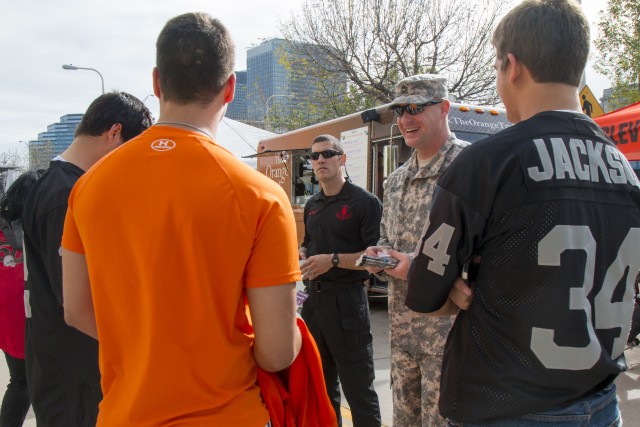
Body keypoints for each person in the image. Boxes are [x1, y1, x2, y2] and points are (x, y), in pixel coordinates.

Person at [401, 0, 640, 425]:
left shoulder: (488, 162)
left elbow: (423, 295)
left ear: (512, 66)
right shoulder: (626, 172)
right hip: (602, 403)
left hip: (508, 403)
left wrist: (464, 285)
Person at [61, 13, 302, 426]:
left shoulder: (89, 186)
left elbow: (77, 310)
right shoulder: (261, 195)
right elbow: (276, 351)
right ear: (229, 88)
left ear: (156, 82)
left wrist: (147, 345)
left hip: (125, 415)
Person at [22, 92, 153, 427]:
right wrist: (138, 348)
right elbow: (76, 305)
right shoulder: (67, 195)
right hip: (73, 373)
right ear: (114, 133)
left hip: (66, 365)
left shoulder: (59, 185)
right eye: (132, 149)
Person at [363, 74, 469, 426]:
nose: (405, 119)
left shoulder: (471, 168)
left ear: (444, 109)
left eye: (416, 109)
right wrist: (379, 257)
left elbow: (494, 253)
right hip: (403, 334)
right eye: (400, 111)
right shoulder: (396, 179)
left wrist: (418, 268)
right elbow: (386, 239)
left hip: (451, 338)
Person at [299, 134, 382, 427]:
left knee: (359, 392)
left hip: (347, 304)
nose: (320, 160)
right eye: (315, 156)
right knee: (322, 391)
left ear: (342, 159)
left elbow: (376, 260)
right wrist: (303, 252)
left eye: (328, 154)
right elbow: (309, 241)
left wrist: (333, 260)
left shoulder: (364, 203)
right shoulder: (312, 204)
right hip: (313, 305)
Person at [0, 170, 44, 427]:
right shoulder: (30, 225)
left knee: (20, 380)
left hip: (7, 314)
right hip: (23, 310)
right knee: (30, 383)